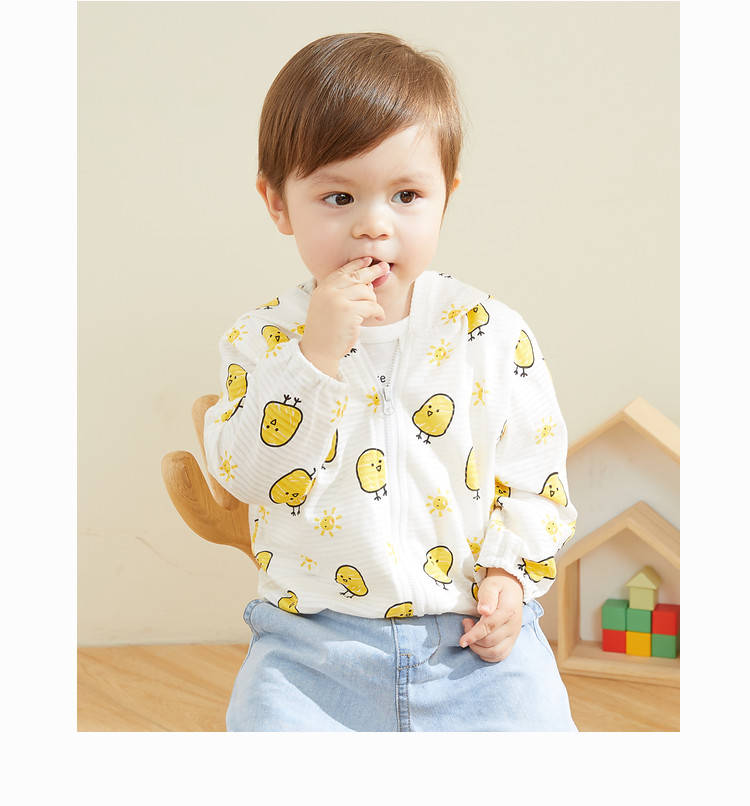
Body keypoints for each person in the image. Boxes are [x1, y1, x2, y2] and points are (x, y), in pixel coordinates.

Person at [204, 32, 578, 731]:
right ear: (278, 203)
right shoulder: (263, 340)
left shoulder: (490, 332)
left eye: (407, 195)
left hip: (473, 646)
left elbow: (537, 479)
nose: (374, 226)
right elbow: (247, 475)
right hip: (312, 650)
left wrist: (509, 575)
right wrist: (312, 358)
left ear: (445, 199)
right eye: (338, 196)